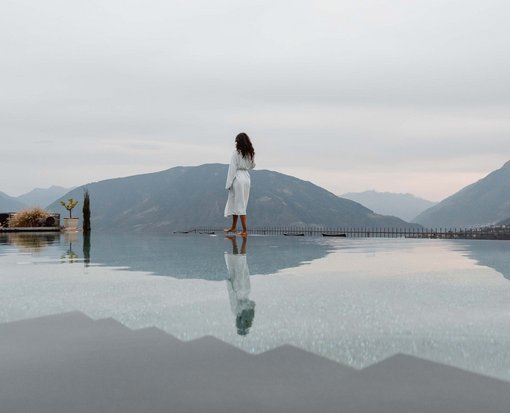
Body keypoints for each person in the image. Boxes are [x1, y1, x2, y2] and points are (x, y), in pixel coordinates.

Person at [224, 132, 255, 237]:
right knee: (239, 202)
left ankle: (245, 230)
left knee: (239, 203)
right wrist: (245, 167)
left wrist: (228, 184)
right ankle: (234, 226)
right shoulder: (250, 153)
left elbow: (232, 169)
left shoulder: (236, 153)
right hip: (246, 177)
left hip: (238, 177)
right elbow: (252, 165)